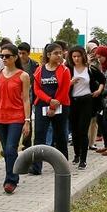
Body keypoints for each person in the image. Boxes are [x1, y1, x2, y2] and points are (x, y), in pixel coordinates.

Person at [0, 43, 32, 193]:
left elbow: (26, 99)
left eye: (7, 56)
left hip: (16, 117)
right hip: (0, 117)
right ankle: (12, 174)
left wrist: (27, 121)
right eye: (2, 56)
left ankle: (11, 180)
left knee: (10, 148)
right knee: (7, 151)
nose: (4, 58)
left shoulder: (23, 76)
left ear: (15, 57)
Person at [32, 43, 70, 173]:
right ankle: (36, 166)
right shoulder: (39, 70)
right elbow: (37, 89)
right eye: (56, 53)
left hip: (60, 105)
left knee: (60, 135)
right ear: (48, 55)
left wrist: (54, 105)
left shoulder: (64, 70)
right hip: (42, 104)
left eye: (60, 53)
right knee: (39, 135)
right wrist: (49, 100)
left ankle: (62, 165)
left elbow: (65, 89)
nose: (59, 55)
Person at [68, 46, 105, 169]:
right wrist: (70, 83)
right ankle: (77, 154)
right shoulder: (68, 69)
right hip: (73, 102)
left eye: (78, 56)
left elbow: (102, 80)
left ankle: (83, 160)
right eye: (74, 56)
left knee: (83, 130)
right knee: (75, 131)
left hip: (87, 101)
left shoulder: (90, 69)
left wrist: (99, 90)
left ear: (83, 56)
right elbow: (61, 85)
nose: (76, 59)